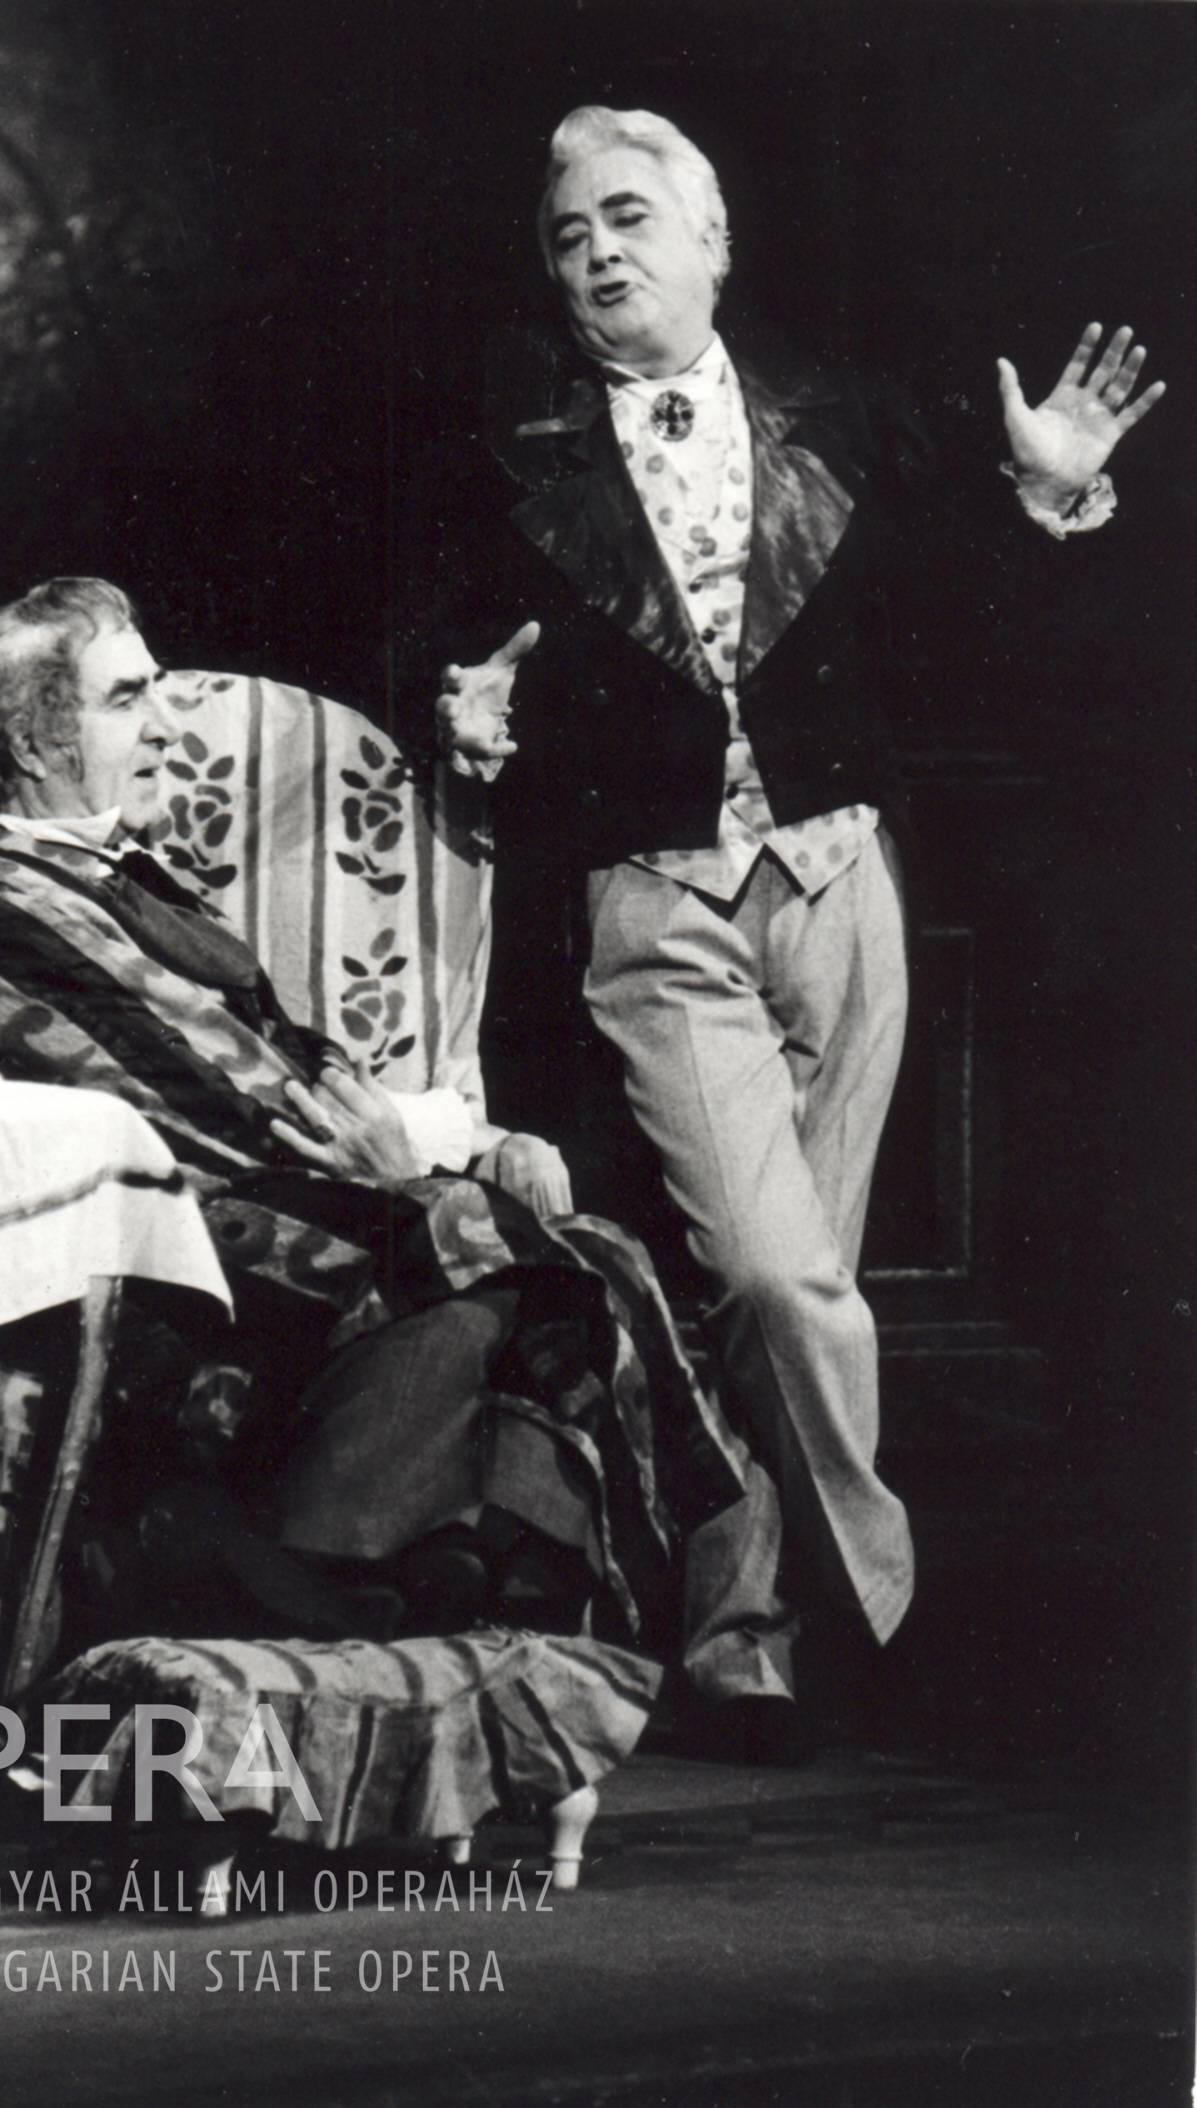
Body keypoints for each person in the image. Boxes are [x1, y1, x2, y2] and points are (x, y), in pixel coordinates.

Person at [430, 105, 1165, 1760]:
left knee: (790, 1285)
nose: (596, 253)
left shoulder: (843, 413)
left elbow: (979, 614)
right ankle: (883, 1608)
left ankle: (741, 1636)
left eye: (628, 217)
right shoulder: (509, 455)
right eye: (566, 236)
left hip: (841, 881)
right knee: (774, 1276)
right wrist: (461, 710)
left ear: (713, 240)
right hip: (656, 898)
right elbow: (440, 643)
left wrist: (1045, 493)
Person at [0, 575, 749, 1656]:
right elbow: (213, 1087)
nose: (165, 725)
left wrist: (411, 1136)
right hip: (152, 1257)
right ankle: (363, 1577)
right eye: (126, 699)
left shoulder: (119, 877)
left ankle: (515, 1584)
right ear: (30, 744)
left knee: (587, 1253)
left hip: (262, 1208)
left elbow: (293, 1052)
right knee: (474, 1236)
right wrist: (420, 1144)